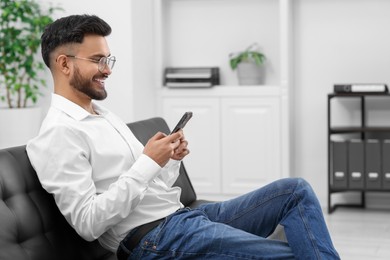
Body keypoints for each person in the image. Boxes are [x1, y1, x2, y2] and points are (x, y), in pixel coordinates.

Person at [26, 14, 340, 260]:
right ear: (64, 63)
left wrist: (167, 163)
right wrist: (147, 163)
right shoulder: (58, 133)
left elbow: (151, 187)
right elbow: (87, 223)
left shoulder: (103, 116)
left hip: (184, 218)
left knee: (295, 190)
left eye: (108, 60)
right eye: (97, 60)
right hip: (155, 240)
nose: (107, 70)